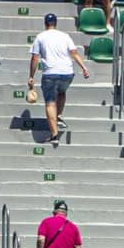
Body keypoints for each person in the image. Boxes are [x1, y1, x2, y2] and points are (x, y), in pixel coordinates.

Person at [27, 12, 91, 147]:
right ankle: (59, 116)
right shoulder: (65, 36)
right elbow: (74, 53)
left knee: (50, 103)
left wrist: (31, 76)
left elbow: (35, 58)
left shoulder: (40, 37)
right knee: (61, 92)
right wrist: (84, 68)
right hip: (67, 72)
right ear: (56, 24)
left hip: (50, 73)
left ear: (45, 24)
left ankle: (54, 135)